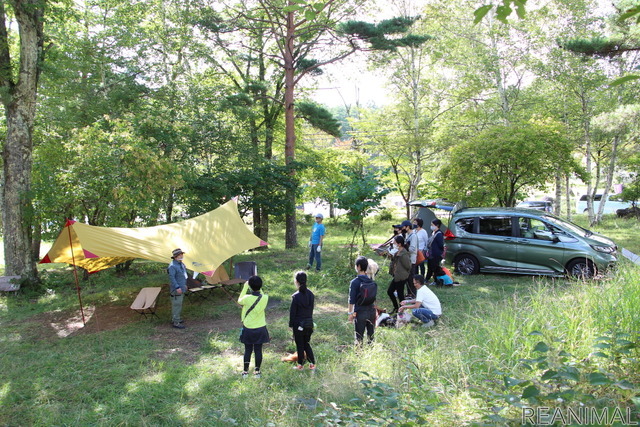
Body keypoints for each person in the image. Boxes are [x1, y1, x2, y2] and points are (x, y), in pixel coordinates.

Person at [239, 275, 270, 378]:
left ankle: (245, 372)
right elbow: (260, 293)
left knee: (248, 350)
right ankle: (257, 372)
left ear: (250, 287)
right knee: (258, 350)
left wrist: (245, 287)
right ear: (261, 286)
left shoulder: (247, 299)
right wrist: (257, 287)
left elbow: (240, 300)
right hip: (260, 328)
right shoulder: (265, 298)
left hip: (248, 328)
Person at [289, 271, 316, 371]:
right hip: (309, 323)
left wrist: (291, 324)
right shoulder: (311, 294)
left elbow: (293, 313)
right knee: (307, 344)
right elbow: (311, 310)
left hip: (299, 324)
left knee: (300, 345)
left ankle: (300, 365)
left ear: (296, 281)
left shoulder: (295, 296)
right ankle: (312, 364)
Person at [348, 256, 377, 344]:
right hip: (371, 311)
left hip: (360, 312)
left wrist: (350, 314)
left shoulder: (354, 282)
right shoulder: (371, 281)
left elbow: (351, 300)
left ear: (359, 267)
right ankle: (371, 352)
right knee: (371, 336)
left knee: (359, 336)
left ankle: (359, 354)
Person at [387, 235, 411, 314]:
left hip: (401, 277)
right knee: (390, 291)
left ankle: (401, 310)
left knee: (399, 294)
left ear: (399, 244)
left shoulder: (404, 254)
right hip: (397, 276)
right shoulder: (397, 252)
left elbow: (408, 266)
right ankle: (397, 308)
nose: (393, 243)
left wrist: (404, 274)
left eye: (394, 242)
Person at [168, 248, 188, 329]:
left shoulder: (181, 264)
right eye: (180, 255)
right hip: (176, 289)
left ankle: (176, 319)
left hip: (182, 286)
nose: (181, 256)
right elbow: (172, 278)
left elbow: (184, 275)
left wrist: (185, 285)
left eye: (182, 254)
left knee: (179, 304)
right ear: (175, 257)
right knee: (177, 305)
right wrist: (177, 287)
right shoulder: (172, 266)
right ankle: (176, 322)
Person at [425, 219, 445, 285]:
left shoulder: (439, 234)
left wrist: (439, 251)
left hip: (435, 254)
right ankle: (427, 279)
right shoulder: (433, 233)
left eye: (432, 225)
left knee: (435, 268)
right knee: (430, 267)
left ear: (437, 225)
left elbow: (440, 245)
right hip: (431, 254)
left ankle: (436, 280)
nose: (431, 226)